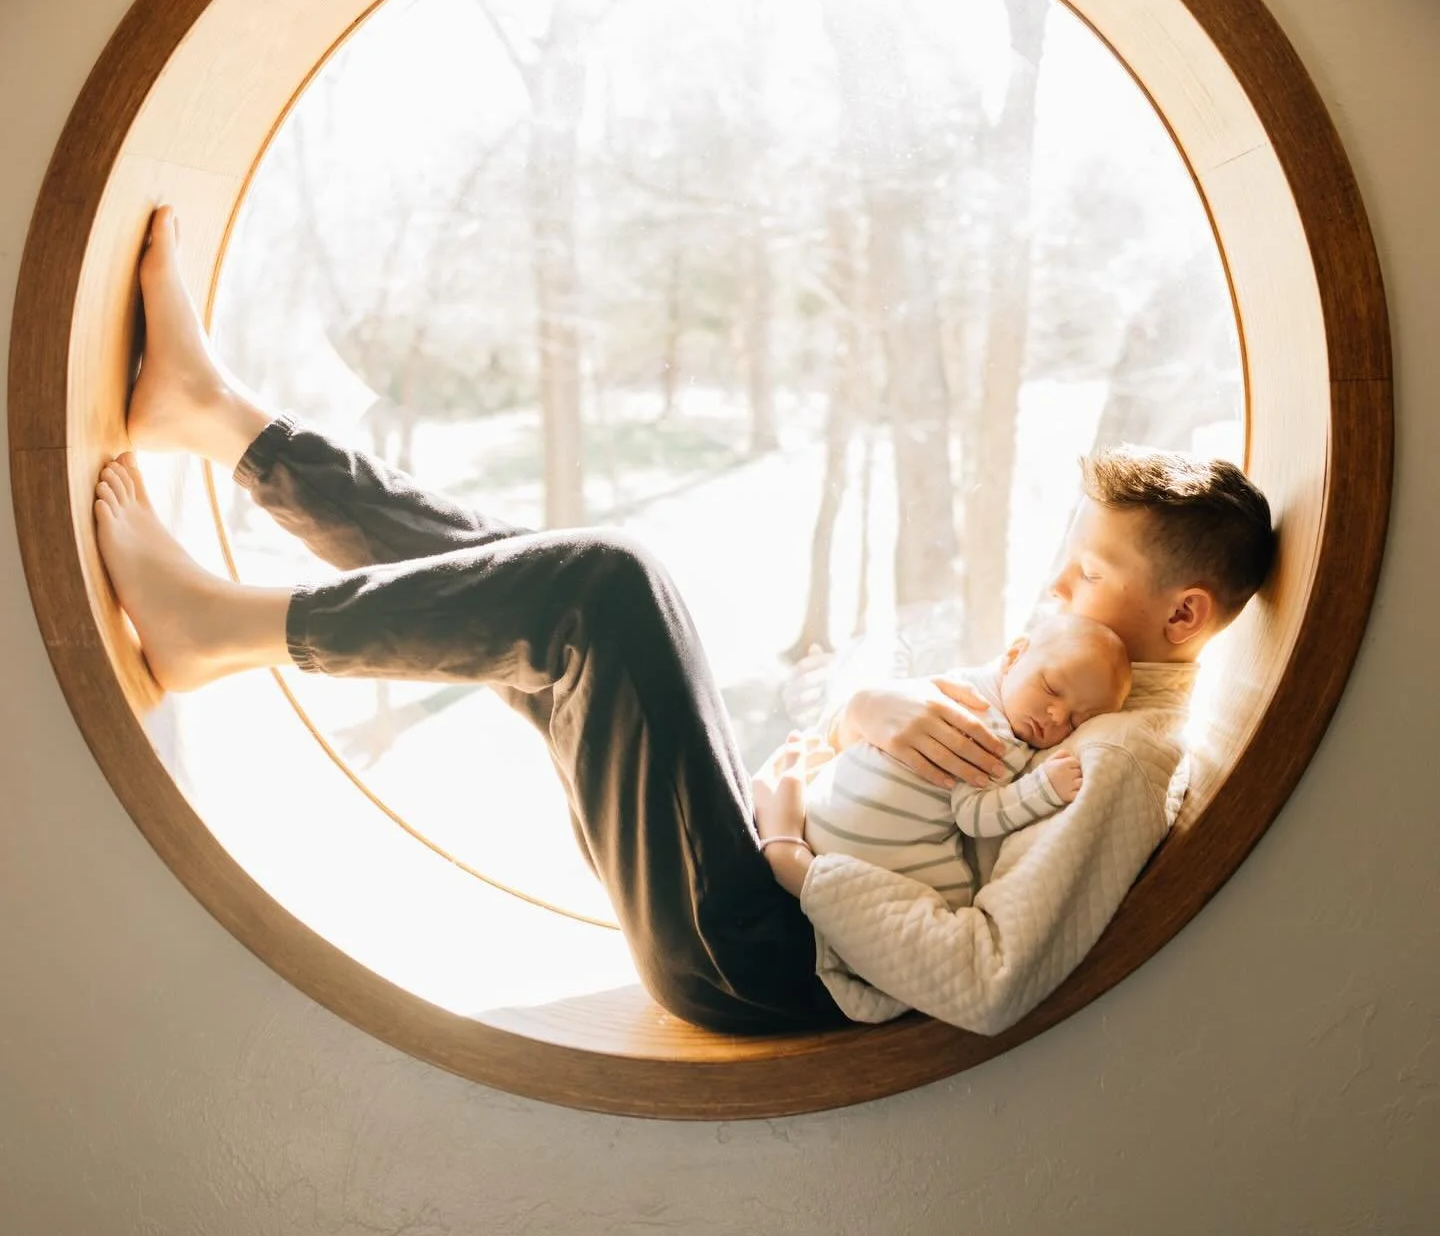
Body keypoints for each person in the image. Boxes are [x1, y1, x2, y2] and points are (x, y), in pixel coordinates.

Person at [95, 207, 1275, 1038]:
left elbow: (988, 977)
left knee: (605, 583)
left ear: (1184, 612)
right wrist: (856, 710)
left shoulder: (1123, 756)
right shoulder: (1078, 678)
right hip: (765, 895)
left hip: (768, 957)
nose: (1050, 593)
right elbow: (917, 795)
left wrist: (798, 863)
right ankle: (228, 424)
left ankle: (225, 627)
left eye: (1083, 574)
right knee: (545, 584)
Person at [798, 614, 1131, 908]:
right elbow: (976, 816)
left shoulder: (966, 688)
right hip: (858, 850)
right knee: (955, 901)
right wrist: (1045, 788)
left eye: (1075, 721)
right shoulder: (997, 735)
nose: (1057, 715)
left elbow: (970, 810)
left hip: (818, 825)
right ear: (1013, 655)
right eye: (1052, 688)